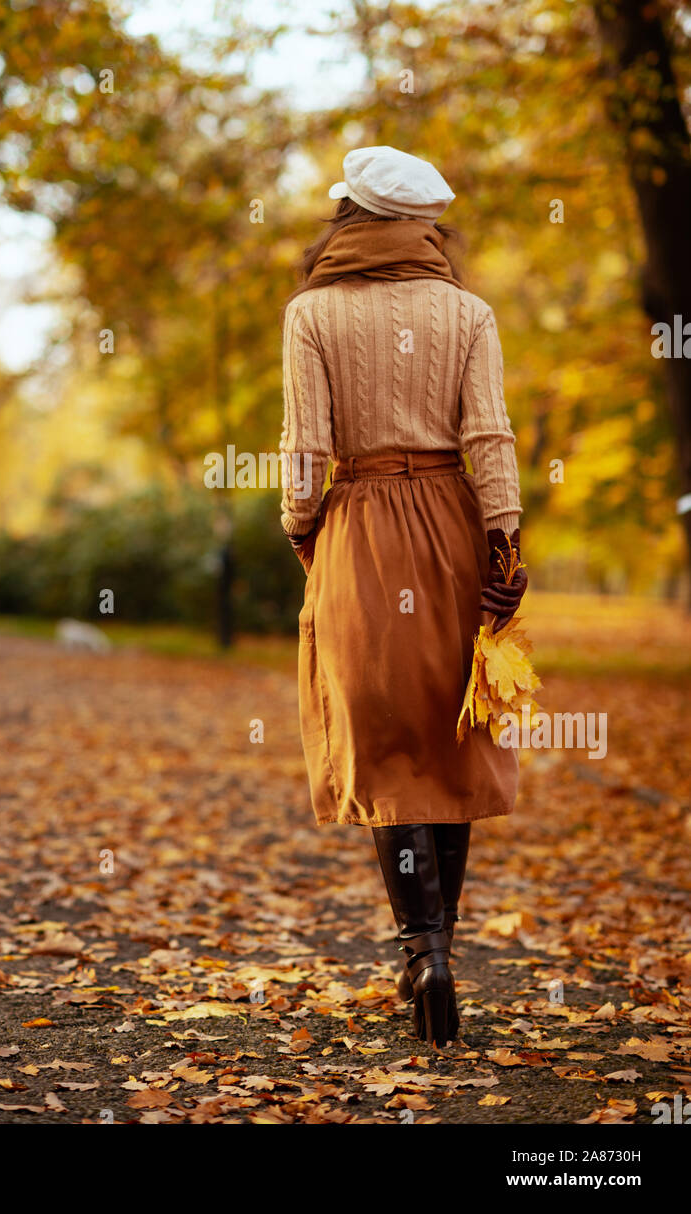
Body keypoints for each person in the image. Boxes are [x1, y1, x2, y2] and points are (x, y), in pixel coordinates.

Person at [279, 146, 528, 1047]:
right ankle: (441, 954)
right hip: (454, 536)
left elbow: (306, 455)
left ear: (348, 218)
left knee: (387, 755)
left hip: (359, 534)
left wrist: (305, 529)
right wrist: (503, 538)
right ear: (424, 227)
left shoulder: (310, 314)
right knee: (447, 743)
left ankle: (420, 952)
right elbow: (490, 437)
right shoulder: (468, 313)